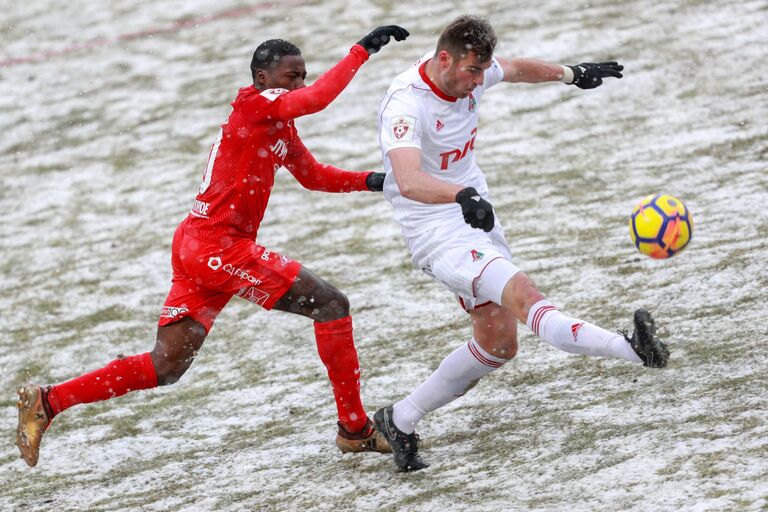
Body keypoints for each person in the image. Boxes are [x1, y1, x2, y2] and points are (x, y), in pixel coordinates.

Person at [15, 25, 409, 467]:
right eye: (290, 77)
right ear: (262, 79)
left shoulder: (279, 125)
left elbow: (314, 176)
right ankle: (354, 428)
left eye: (302, 77)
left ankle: (48, 401)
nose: (298, 86)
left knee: (165, 366)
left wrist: (377, 181)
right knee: (331, 304)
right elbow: (318, 99)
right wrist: (362, 50)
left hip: (198, 245)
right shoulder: (257, 105)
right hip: (220, 248)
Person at [372, 15, 669, 472]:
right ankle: (632, 349)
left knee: (498, 344)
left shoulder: (473, 71)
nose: (477, 83)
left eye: (480, 72)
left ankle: (401, 418)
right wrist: (460, 195)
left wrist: (572, 73)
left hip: (474, 212)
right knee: (525, 298)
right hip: (437, 232)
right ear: (444, 58)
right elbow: (409, 180)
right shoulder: (404, 106)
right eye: (471, 72)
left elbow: (514, 69)